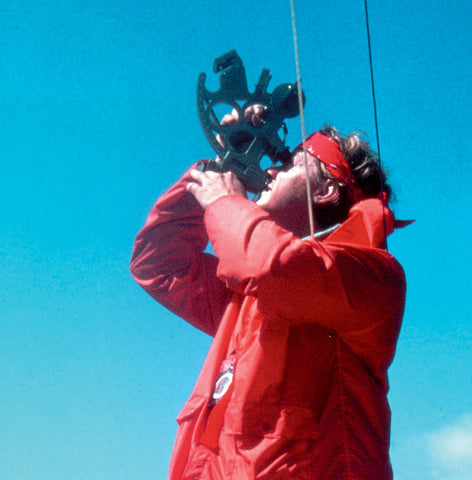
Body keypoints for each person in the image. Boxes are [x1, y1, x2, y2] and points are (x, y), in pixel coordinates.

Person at [130, 112, 407, 479]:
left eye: (291, 164)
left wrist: (224, 203)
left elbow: (271, 267)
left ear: (325, 191)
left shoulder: (373, 278)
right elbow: (159, 263)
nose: (271, 172)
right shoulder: (247, 293)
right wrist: (230, 155)